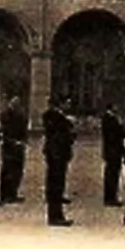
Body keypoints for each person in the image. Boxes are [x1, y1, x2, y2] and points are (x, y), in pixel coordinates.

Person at [41, 96, 76, 226]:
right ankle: (55, 216)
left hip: (56, 153)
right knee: (56, 184)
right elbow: (62, 135)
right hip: (57, 154)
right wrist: (70, 134)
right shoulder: (55, 117)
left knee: (56, 184)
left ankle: (56, 214)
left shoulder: (57, 117)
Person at [0, 94, 28, 204]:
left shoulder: (21, 114)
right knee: (8, 171)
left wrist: (23, 141)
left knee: (17, 171)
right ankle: (5, 194)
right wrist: (13, 142)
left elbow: (24, 130)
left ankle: (13, 193)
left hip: (19, 146)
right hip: (9, 146)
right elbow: (4, 131)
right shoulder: (5, 115)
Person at [100, 102, 125, 207]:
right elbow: (116, 134)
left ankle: (111, 196)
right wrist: (122, 128)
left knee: (112, 174)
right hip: (113, 150)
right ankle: (110, 197)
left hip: (111, 150)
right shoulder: (110, 119)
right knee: (112, 174)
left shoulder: (109, 118)